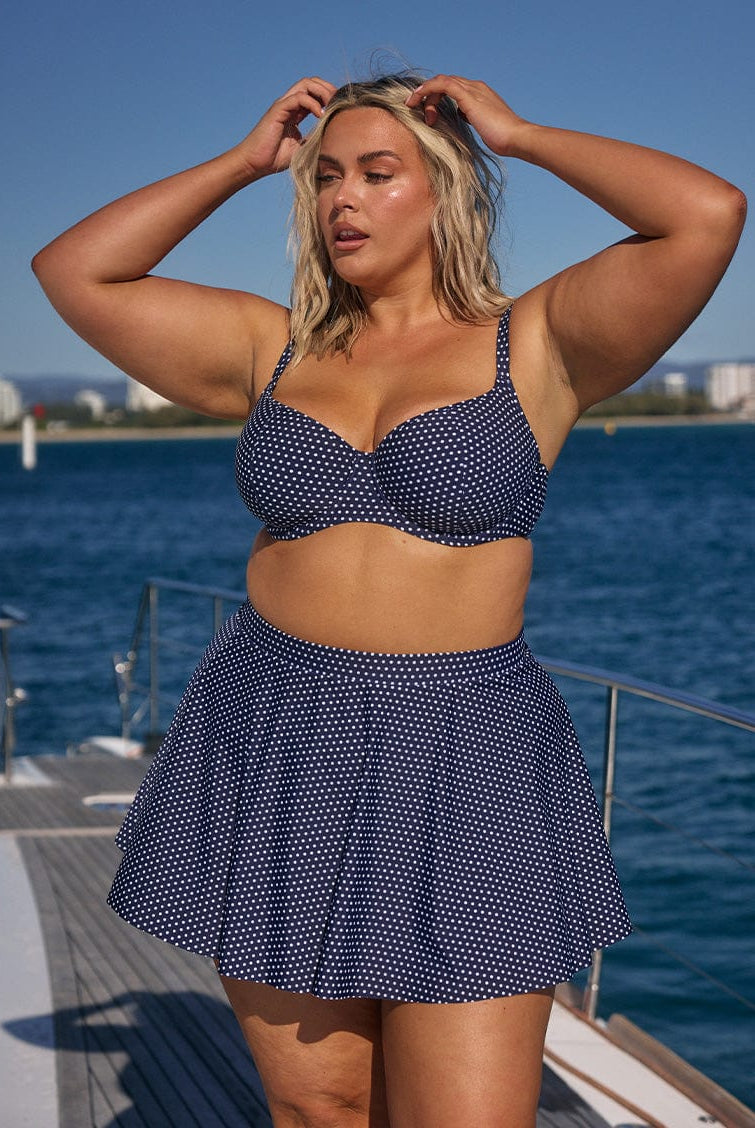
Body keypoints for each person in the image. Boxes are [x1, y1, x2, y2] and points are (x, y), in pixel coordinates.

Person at [32, 72, 745, 1127]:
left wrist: (519, 133)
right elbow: (76, 270)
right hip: (276, 729)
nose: (340, 200)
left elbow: (706, 214)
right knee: (319, 1106)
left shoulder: (537, 343)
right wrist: (240, 161)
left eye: (374, 173)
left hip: (469, 750)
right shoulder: (271, 349)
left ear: (446, 193)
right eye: (323, 179)